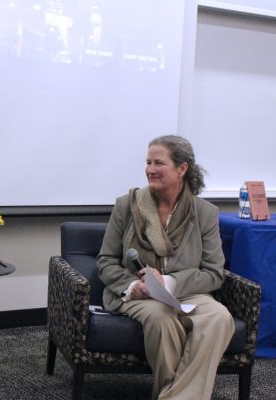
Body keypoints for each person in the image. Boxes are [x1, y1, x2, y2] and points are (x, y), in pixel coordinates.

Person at [97, 135, 234, 400]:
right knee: (162, 319)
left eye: (159, 163)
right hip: (137, 293)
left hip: (186, 293)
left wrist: (169, 283)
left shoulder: (204, 213)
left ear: (182, 169)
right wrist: (132, 285)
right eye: (148, 162)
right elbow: (106, 260)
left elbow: (214, 272)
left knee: (219, 317)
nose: (150, 169)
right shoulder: (127, 205)